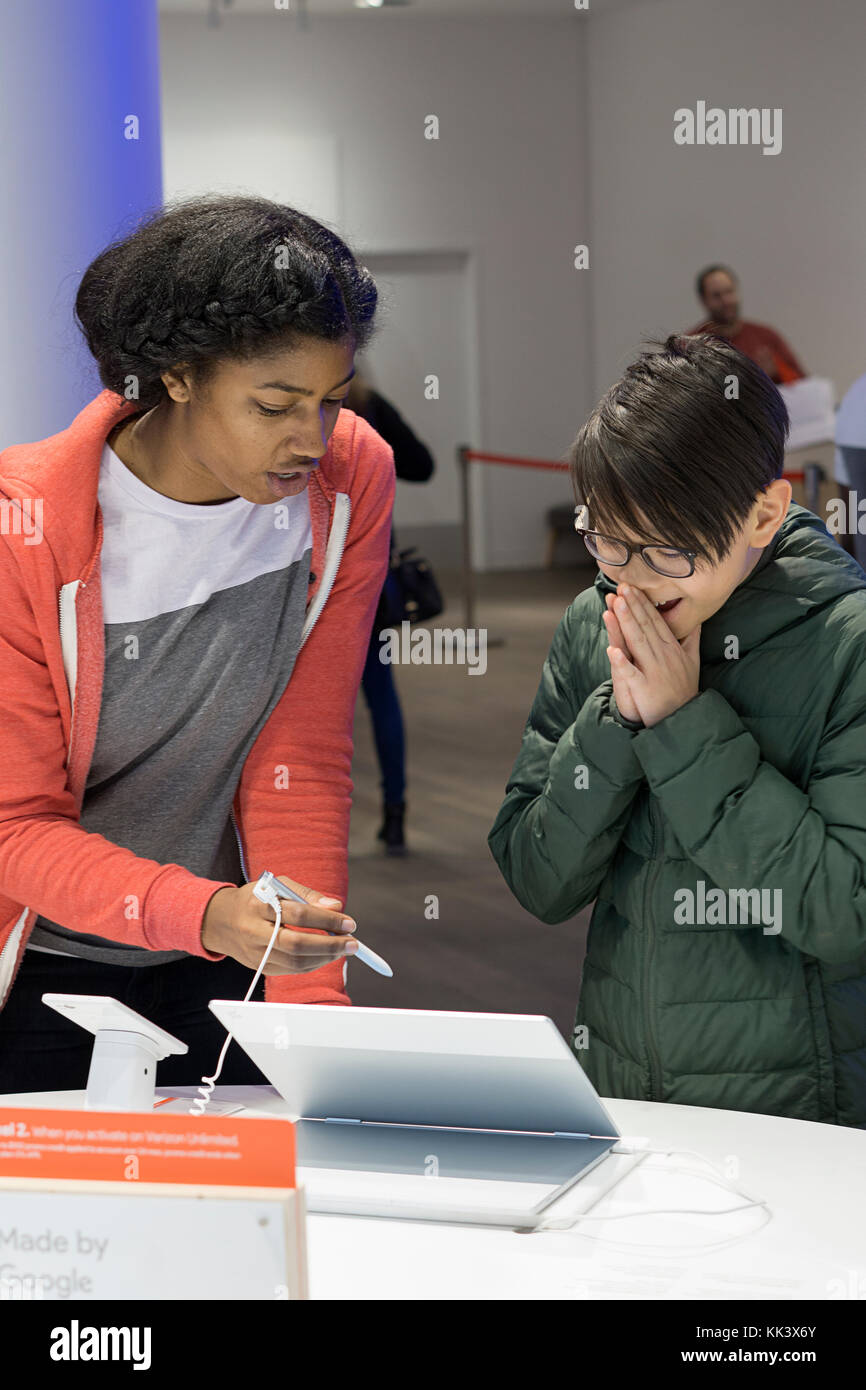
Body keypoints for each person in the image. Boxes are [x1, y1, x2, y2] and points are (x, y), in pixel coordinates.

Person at [0, 194, 395, 1092]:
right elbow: (13, 827)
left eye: (331, 401)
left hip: (226, 963)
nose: (310, 438)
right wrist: (206, 911)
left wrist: (311, 1007)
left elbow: (302, 756)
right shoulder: (22, 525)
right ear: (176, 376)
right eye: (274, 405)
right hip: (41, 974)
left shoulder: (349, 478)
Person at [488, 333, 866, 1128]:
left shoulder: (848, 646)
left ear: (767, 511)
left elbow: (843, 916)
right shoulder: (596, 619)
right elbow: (537, 877)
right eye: (609, 539)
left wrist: (683, 723)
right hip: (625, 1100)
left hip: (799, 1119)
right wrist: (617, 719)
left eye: (668, 548)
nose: (632, 576)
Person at [346, 370, 435, 854]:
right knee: (382, 698)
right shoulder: (369, 406)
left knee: (308, 711)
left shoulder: (301, 410)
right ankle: (395, 810)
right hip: (372, 576)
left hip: (309, 580)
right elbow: (422, 464)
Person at [690, 264, 806, 384]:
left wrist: (777, 373)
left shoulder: (765, 338)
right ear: (703, 300)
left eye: (729, 292)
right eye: (716, 295)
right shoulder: (691, 345)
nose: (726, 301)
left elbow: (802, 385)